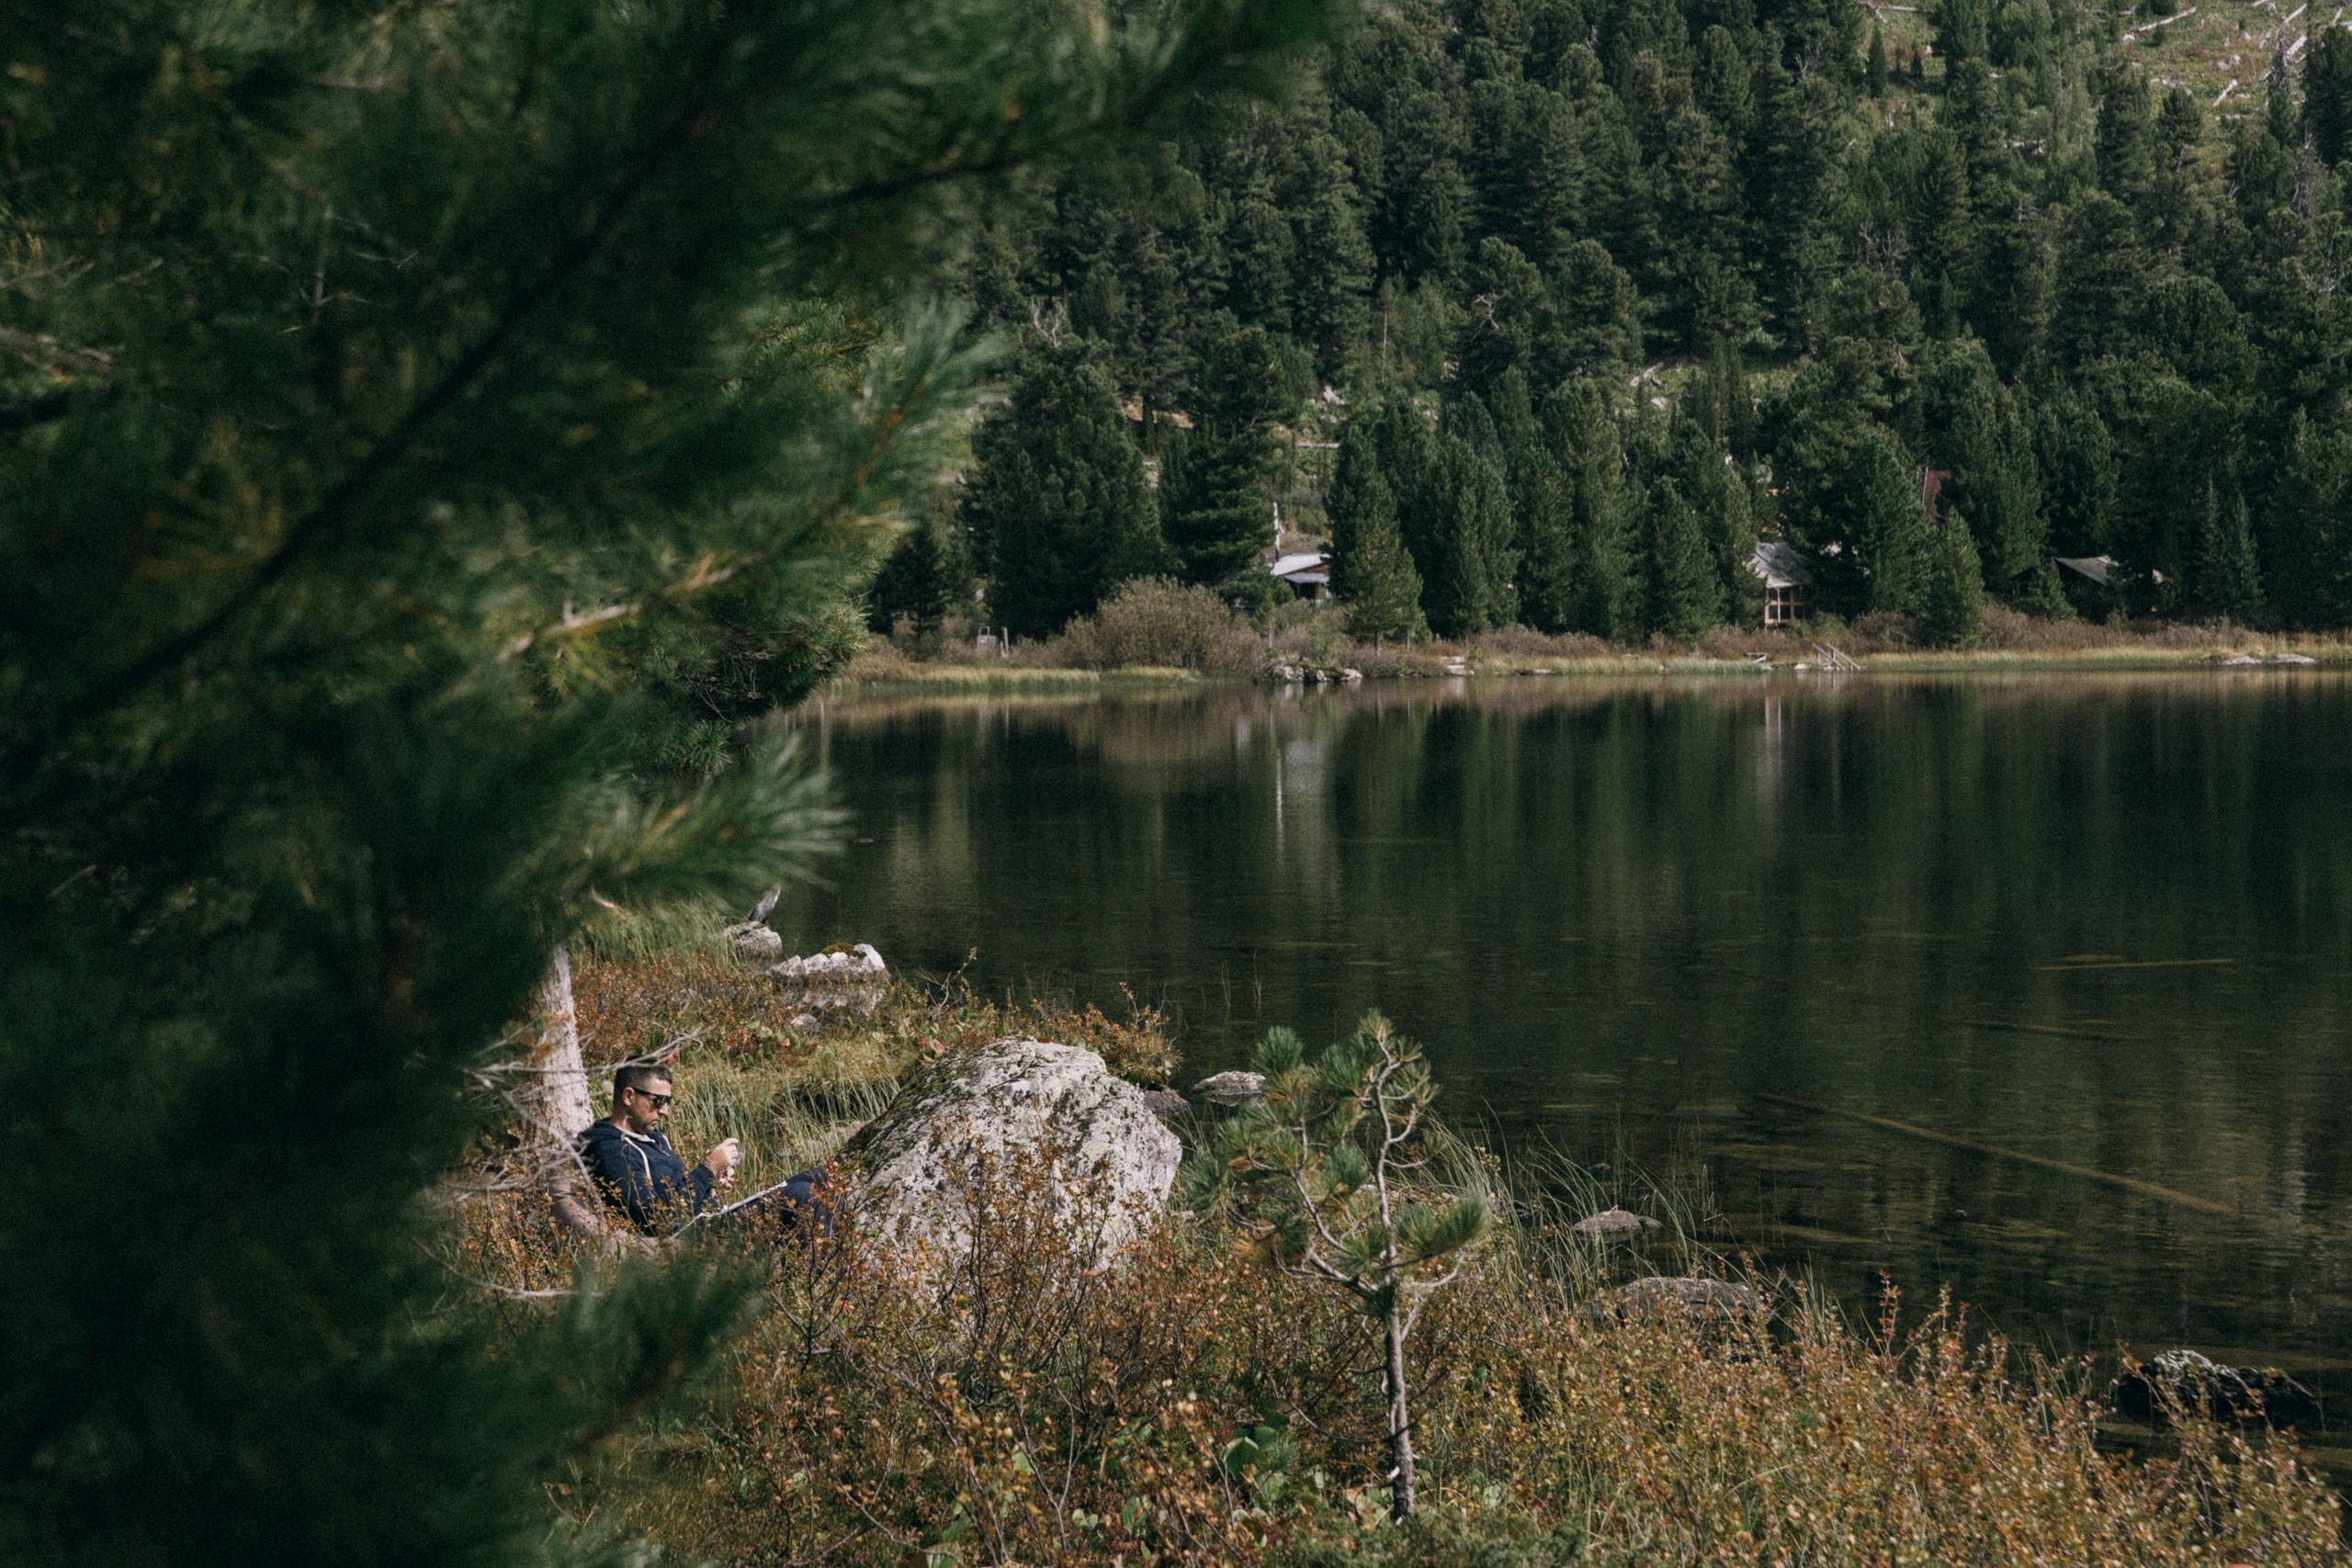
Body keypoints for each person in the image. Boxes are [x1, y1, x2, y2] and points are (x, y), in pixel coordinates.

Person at [576, 1062, 831, 1238]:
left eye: (668, 1102)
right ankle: (825, 1293)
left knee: (822, 1177)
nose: (664, 1110)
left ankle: (838, 1291)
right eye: (658, 1101)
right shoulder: (611, 1150)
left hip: (704, 1222)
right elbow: (656, 1220)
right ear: (629, 1096)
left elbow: (682, 1197)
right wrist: (707, 1167)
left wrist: (711, 1187)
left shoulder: (655, 1140)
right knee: (804, 1194)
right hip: (691, 1239)